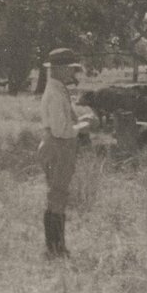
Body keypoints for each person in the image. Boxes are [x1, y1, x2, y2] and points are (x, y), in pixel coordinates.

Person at [38, 47, 92, 259]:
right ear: (59, 69)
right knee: (57, 197)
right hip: (58, 144)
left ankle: (56, 247)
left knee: (57, 196)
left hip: (57, 144)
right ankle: (55, 248)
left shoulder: (58, 89)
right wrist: (84, 126)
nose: (74, 74)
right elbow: (62, 131)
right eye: (72, 69)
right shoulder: (54, 92)